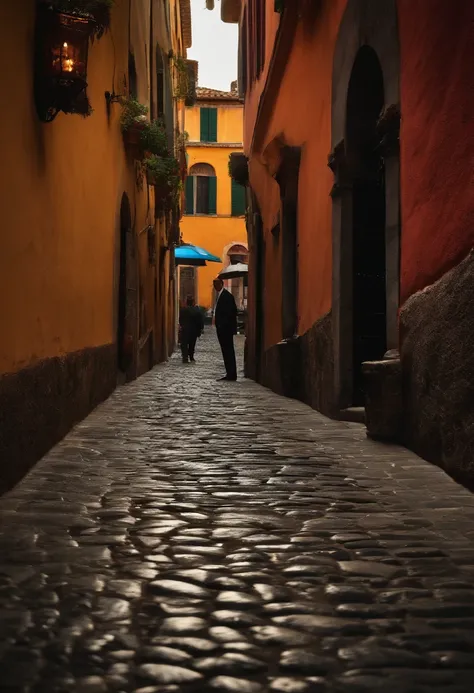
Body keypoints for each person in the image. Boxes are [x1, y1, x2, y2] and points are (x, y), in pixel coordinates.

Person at [213, 277, 237, 381]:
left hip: (226, 330)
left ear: (221, 284)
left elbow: (232, 312)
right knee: (226, 351)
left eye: (217, 285)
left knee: (228, 351)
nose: (215, 287)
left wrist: (223, 326)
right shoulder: (220, 295)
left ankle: (231, 374)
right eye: (214, 285)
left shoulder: (227, 296)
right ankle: (229, 373)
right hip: (222, 329)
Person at [179, 296, 204, 363]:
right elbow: (200, 321)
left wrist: (182, 326)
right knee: (192, 344)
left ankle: (185, 357)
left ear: (187, 302)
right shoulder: (196, 311)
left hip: (185, 330)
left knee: (184, 344)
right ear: (193, 302)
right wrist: (200, 329)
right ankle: (191, 357)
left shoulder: (183, 310)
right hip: (194, 331)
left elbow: (180, 320)